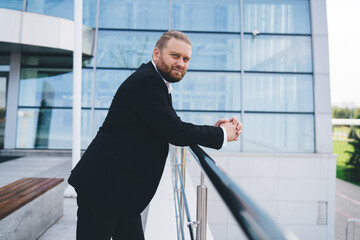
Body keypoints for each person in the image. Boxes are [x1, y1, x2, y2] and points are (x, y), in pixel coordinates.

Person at [68, 30, 242, 240]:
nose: (181, 63)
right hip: (103, 186)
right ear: (156, 53)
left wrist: (215, 129)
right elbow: (175, 131)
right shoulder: (147, 82)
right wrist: (221, 134)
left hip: (121, 190)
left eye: (186, 59)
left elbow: (168, 125)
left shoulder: (157, 83)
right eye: (175, 56)